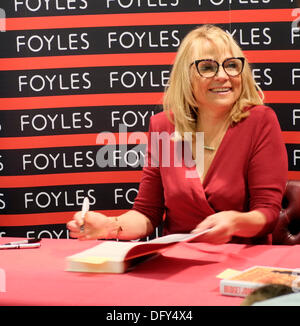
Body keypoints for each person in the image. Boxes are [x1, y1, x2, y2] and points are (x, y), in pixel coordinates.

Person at [67, 24, 288, 244]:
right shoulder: (163, 125)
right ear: (187, 76)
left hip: (239, 265)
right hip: (178, 262)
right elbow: (146, 213)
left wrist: (236, 222)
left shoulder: (260, 121)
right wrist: (110, 226)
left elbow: (267, 213)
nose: (223, 75)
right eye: (208, 67)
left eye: (231, 65)